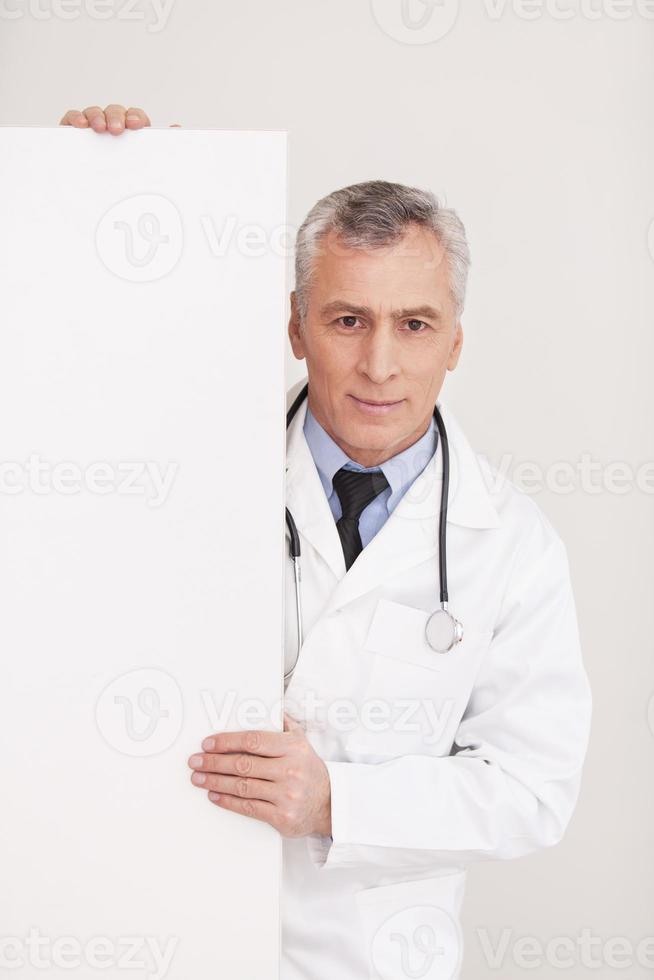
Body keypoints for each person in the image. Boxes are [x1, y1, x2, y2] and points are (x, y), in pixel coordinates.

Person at [61, 105, 593, 980]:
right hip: (160, 935)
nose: (380, 364)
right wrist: (98, 180)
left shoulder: (513, 546)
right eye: (347, 321)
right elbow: (77, 386)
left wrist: (339, 800)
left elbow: (532, 793)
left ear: (455, 342)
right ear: (295, 326)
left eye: (414, 325)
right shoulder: (175, 483)